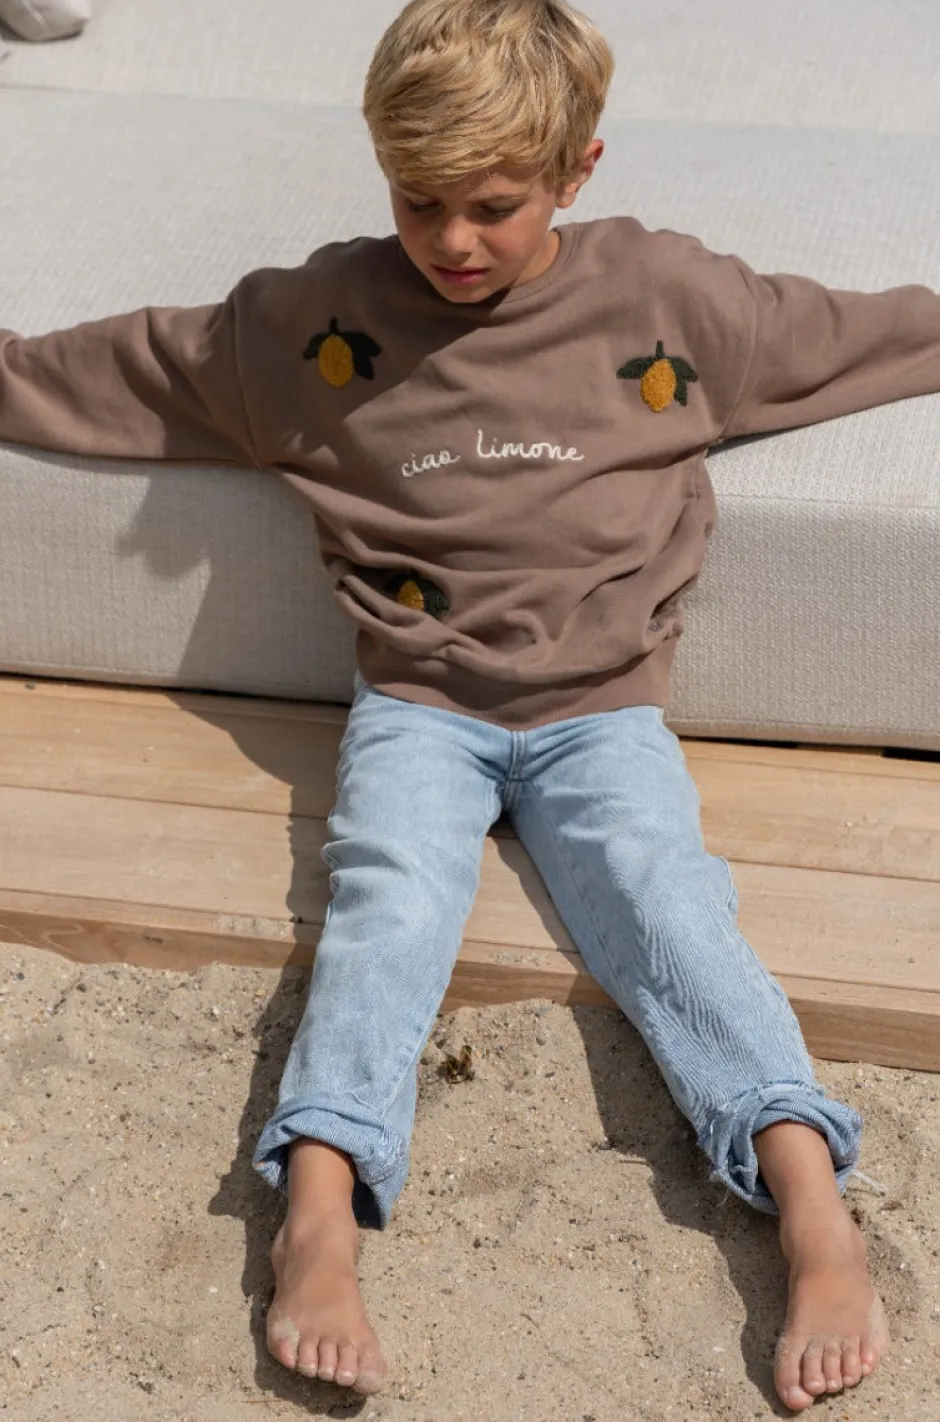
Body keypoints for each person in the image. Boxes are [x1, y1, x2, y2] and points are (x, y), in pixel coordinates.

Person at [2, 0, 937, 1410]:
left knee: (673, 907)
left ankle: (812, 1207)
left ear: (577, 169)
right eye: (418, 200)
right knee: (385, 907)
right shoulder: (310, 327)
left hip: (602, 706)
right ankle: (319, 1216)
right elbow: (107, 370)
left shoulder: (676, 304)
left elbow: (872, 335)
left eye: (494, 206)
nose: (452, 240)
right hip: (418, 699)